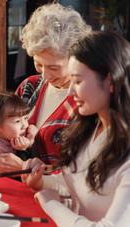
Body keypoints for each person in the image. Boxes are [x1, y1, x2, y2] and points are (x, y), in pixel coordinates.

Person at [21, 31, 130, 226]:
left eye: (78, 82)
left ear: (111, 81)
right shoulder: (92, 126)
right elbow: (78, 183)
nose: (71, 91)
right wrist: (41, 182)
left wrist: (52, 205)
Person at [0, 3, 92, 173]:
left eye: (53, 68)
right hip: (15, 190)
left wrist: (25, 168)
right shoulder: (29, 86)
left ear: (77, 59)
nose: (44, 75)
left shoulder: (87, 101)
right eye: (38, 64)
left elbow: (85, 173)